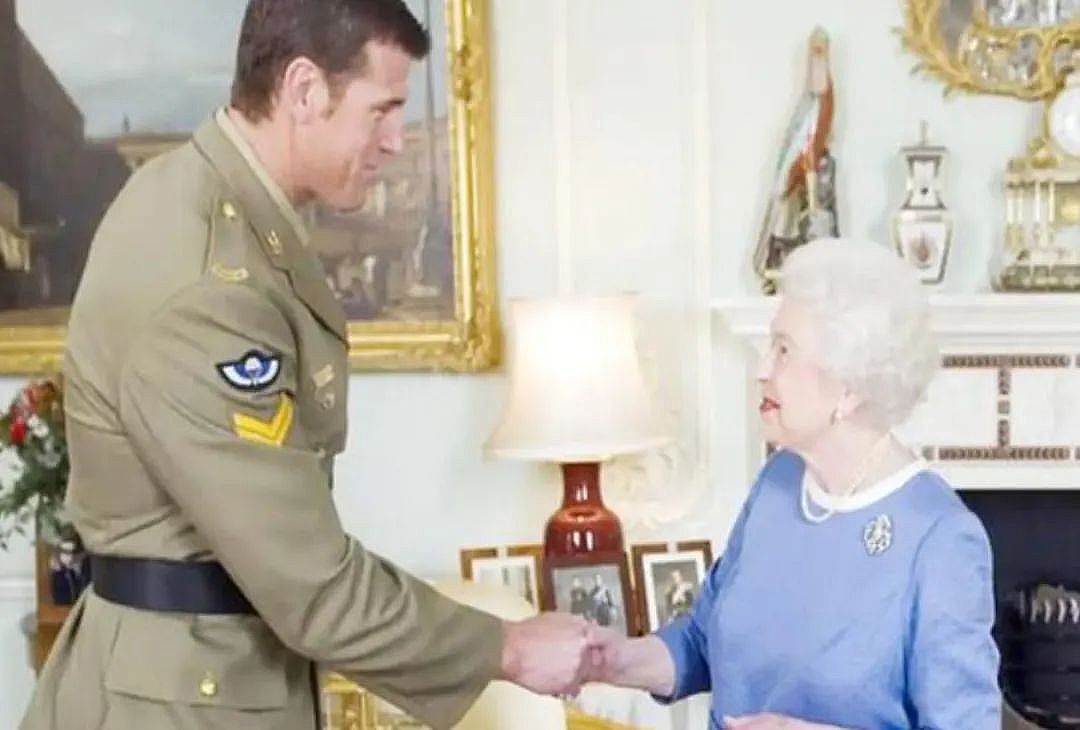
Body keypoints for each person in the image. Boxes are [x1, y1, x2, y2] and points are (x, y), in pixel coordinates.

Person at [20, 3, 596, 729]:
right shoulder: (208, 282)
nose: (396, 140)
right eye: (381, 110)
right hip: (183, 701)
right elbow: (310, 584)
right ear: (303, 89)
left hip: (198, 675)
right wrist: (508, 648)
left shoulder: (207, 202)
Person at [584, 238, 1002, 729]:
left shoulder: (940, 537)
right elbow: (703, 641)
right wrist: (608, 660)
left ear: (849, 385)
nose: (761, 370)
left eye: (783, 350)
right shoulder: (779, 482)